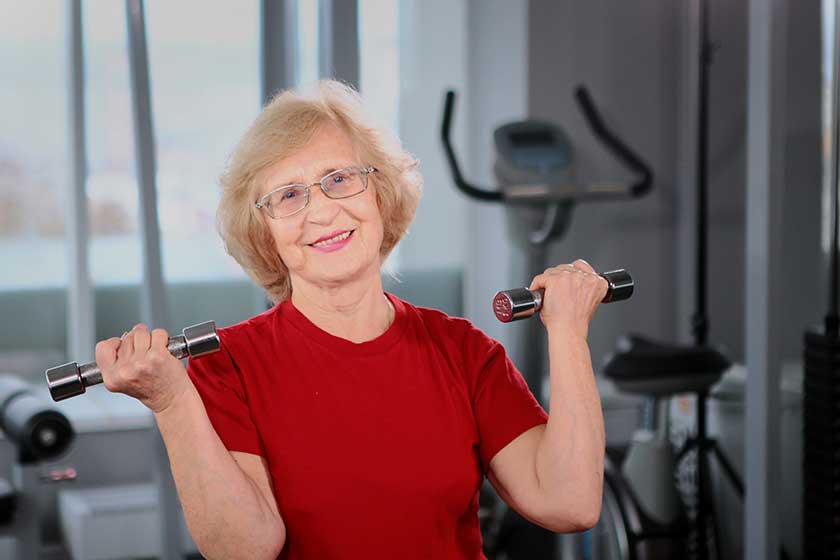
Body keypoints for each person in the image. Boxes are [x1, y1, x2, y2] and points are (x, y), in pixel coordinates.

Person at [94, 80, 608, 560]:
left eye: (339, 179)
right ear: (264, 231)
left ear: (380, 195)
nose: (320, 212)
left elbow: (569, 502)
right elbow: (244, 550)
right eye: (289, 195)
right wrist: (172, 402)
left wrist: (568, 332)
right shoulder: (228, 365)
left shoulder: (463, 350)